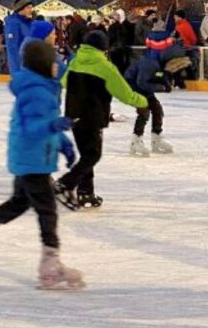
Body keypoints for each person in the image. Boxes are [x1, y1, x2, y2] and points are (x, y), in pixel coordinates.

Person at [0, 40, 84, 290]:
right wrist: (54, 127)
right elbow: (31, 129)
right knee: (47, 211)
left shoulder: (40, 88)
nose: (58, 66)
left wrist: (62, 142)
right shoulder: (38, 93)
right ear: (43, 64)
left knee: (20, 202)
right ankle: (50, 264)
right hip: (34, 160)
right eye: (54, 61)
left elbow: (43, 126)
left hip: (30, 157)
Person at [53, 31, 147, 210]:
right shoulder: (106, 67)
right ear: (103, 48)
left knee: (86, 155)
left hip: (74, 116)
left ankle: (85, 192)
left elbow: (64, 82)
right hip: (93, 117)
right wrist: (142, 102)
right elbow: (125, 94)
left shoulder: (74, 62)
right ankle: (65, 184)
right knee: (92, 155)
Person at [124, 49, 174, 156]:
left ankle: (157, 138)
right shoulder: (149, 64)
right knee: (144, 111)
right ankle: (135, 141)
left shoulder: (160, 65)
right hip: (132, 88)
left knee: (157, 109)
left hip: (143, 89)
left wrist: (166, 83)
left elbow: (159, 76)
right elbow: (142, 83)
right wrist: (162, 88)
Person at [4, 0, 34, 75]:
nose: (31, 10)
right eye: (28, 8)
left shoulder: (28, 22)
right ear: (20, 9)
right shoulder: (13, 23)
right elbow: (13, 48)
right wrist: (17, 68)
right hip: (21, 66)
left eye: (31, 7)